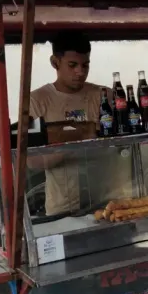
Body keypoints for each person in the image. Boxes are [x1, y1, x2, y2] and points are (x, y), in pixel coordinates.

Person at [29, 31, 116, 216]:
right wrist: (78, 139)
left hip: (108, 203)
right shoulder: (37, 100)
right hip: (63, 209)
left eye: (85, 65)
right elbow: (33, 161)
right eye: (72, 65)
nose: (80, 72)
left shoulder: (104, 95)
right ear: (55, 63)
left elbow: (121, 145)